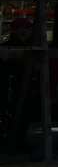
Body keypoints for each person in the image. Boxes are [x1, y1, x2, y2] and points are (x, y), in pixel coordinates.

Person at [1, 17, 38, 153]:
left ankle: (18, 140)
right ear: (17, 30)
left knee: (24, 114)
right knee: (10, 114)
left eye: (29, 28)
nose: (28, 30)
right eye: (25, 28)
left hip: (24, 85)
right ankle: (10, 141)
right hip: (12, 85)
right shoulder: (9, 45)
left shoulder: (29, 44)